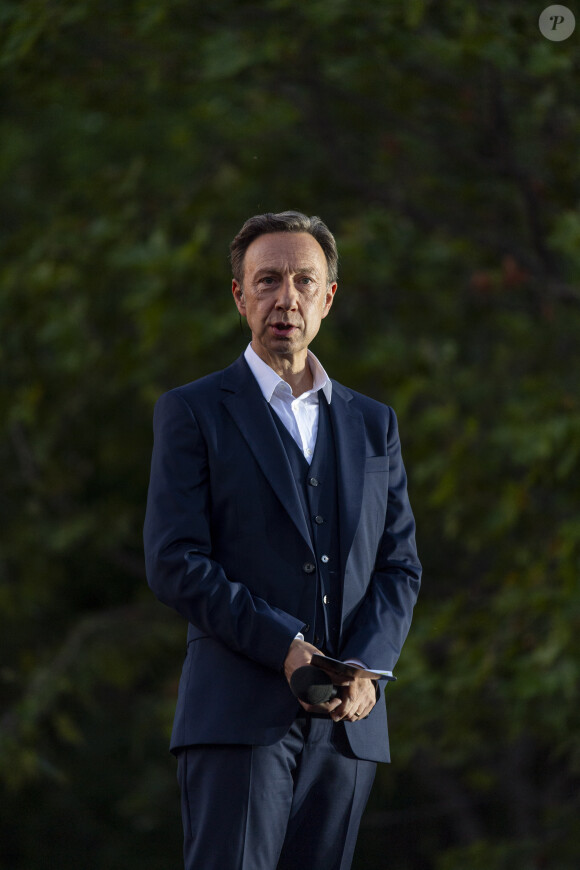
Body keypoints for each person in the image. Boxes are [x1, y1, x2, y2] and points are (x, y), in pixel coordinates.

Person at [143, 210, 421, 870]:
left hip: (350, 727)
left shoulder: (374, 423)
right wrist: (286, 647)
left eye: (303, 280)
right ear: (240, 295)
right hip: (236, 720)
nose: (285, 298)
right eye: (267, 280)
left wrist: (368, 670)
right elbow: (175, 561)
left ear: (328, 297)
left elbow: (399, 565)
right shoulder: (193, 411)